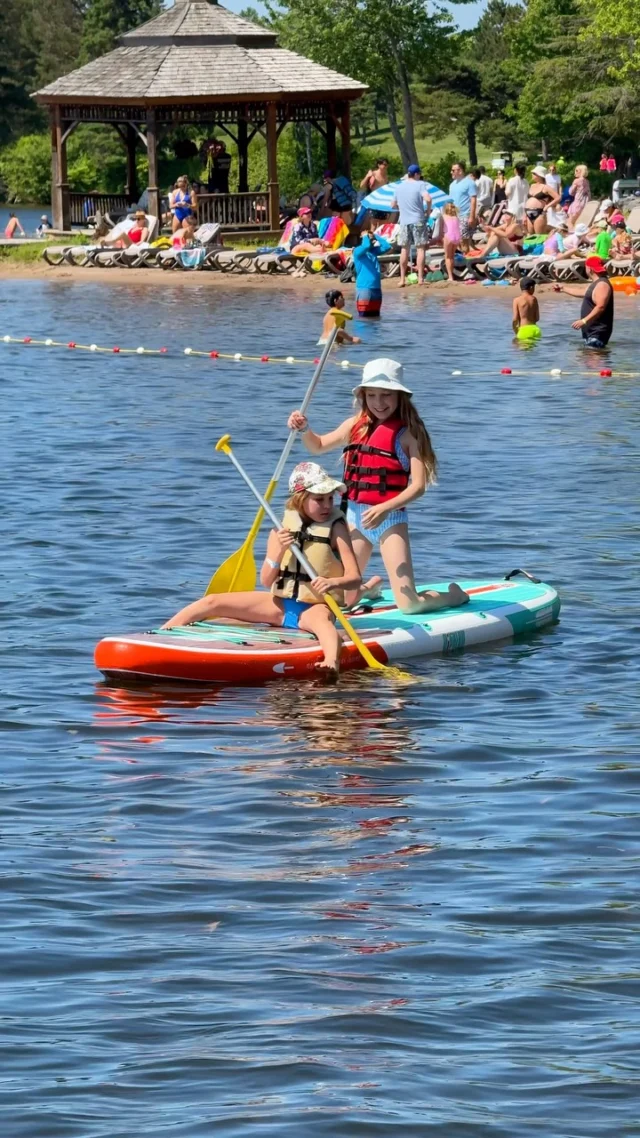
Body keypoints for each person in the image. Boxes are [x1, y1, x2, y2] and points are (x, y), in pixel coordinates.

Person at [287, 358, 470, 615]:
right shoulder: (354, 426)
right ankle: (369, 588)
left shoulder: (409, 434)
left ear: (399, 396)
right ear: (363, 396)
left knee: (410, 605)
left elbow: (418, 486)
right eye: (371, 395)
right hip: (355, 519)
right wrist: (304, 429)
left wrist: (384, 508)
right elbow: (317, 446)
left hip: (390, 520)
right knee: (342, 601)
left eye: (386, 394)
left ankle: (453, 595)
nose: (379, 402)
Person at [162, 462, 363, 678]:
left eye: (330, 498)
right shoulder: (281, 530)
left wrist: (332, 582)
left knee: (323, 625)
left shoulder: (336, 528)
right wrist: (279, 551)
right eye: (319, 499)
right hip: (279, 606)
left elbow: (354, 577)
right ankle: (162, 633)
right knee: (212, 602)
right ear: (300, 499)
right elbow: (267, 581)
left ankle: (331, 662)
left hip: (315, 607)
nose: (327, 505)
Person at [555, 255, 614, 348]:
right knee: (588, 356)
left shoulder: (602, 285)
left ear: (589, 269)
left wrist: (584, 321)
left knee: (594, 356)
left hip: (597, 332)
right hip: (592, 333)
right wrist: (563, 289)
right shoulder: (596, 283)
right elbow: (583, 292)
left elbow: (600, 306)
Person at [391, 164, 432, 287]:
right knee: (420, 249)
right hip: (418, 220)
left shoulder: (399, 187)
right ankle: (420, 279)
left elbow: (392, 205)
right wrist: (428, 211)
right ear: (416, 174)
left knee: (404, 249)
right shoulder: (420, 184)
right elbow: (428, 199)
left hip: (404, 221)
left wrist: (401, 208)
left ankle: (402, 279)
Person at [352, 218, 391, 316]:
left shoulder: (373, 252)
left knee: (375, 318)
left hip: (376, 288)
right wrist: (365, 236)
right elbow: (365, 246)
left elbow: (387, 246)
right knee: (364, 317)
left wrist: (375, 235)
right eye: (367, 237)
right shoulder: (357, 251)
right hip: (364, 289)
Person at [449, 161, 477, 250]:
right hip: (454, 216)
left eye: (453, 170)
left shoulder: (469, 183)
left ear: (460, 171)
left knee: (463, 240)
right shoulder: (452, 185)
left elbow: (473, 200)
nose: (451, 172)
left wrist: (472, 216)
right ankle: (464, 255)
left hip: (465, 215)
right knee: (456, 240)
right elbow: (451, 201)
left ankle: (467, 257)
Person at [525, 165, 560, 234]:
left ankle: (555, 230)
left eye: (534, 173)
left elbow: (558, 197)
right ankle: (554, 229)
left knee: (539, 236)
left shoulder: (545, 187)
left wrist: (547, 206)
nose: (532, 174)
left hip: (539, 213)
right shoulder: (532, 185)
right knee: (531, 236)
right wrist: (524, 215)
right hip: (528, 212)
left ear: (539, 175)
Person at [512, 277, 541, 341]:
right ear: (531, 287)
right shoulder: (534, 299)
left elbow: (515, 319)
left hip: (524, 330)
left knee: (516, 345)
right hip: (536, 330)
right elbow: (537, 318)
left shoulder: (516, 300)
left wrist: (516, 331)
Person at [442, 202, 462, 282]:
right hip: (457, 237)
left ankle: (450, 277)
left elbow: (440, 229)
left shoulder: (443, 216)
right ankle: (452, 275)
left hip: (448, 236)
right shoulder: (456, 217)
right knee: (452, 257)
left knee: (447, 257)